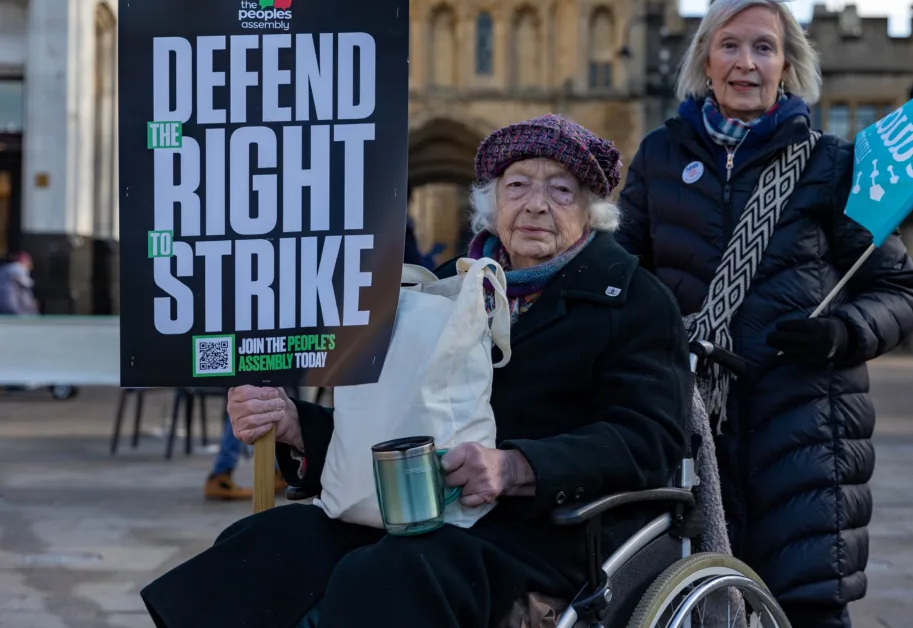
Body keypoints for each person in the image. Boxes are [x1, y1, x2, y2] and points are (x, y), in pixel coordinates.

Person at [139, 114, 691, 628]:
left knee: (386, 576)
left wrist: (517, 466)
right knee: (265, 544)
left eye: (561, 189)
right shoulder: (443, 287)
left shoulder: (634, 300)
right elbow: (392, 420)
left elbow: (647, 441)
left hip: (547, 533)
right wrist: (294, 424)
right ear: (492, 201)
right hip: (424, 517)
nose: (536, 205)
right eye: (517, 185)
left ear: (591, 210)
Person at [613, 0, 913, 628]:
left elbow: (898, 290)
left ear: (788, 64)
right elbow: (625, 284)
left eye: (764, 47)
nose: (746, 63)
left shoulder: (832, 164)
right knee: (693, 605)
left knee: (807, 608)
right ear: (705, 57)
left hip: (804, 435)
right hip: (692, 431)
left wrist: (841, 332)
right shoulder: (661, 158)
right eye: (730, 45)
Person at [0, 251, 38, 315]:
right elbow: (27, 283)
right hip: (13, 307)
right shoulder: (17, 268)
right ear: (24, 261)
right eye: (29, 262)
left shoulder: (4, 270)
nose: (30, 265)